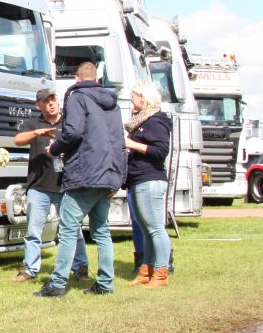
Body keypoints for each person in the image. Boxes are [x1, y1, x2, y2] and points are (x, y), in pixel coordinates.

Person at [35, 62, 126, 297]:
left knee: (67, 229)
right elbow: (119, 140)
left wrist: (55, 148)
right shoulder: (112, 104)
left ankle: (57, 283)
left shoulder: (77, 97)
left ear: (76, 78)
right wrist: (118, 178)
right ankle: (106, 283)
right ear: (96, 78)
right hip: (108, 173)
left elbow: (73, 132)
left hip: (85, 174)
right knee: (102, 231)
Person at [12, 88, 90, 282]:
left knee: (73, 229)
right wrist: (38, 132)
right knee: (33, 231)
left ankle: (80, 268)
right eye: (46, 101)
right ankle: (30, 269)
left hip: (66, 186)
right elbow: (17, 139)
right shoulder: (33, 123)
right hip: (39, 186)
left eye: (53, 99)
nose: (51, 103)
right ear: (38, 105)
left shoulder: (69, 121)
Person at [124, 80, 173, 288]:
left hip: (150, 179)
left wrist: (133, 145)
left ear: (143, 99)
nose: (131, 101)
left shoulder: (156, 121)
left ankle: (161, 273)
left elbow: (161, 151)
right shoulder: (141, 122)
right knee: (145, 228)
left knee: (155, 228)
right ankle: (147, 270)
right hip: (138, 179)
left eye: (133, 97)